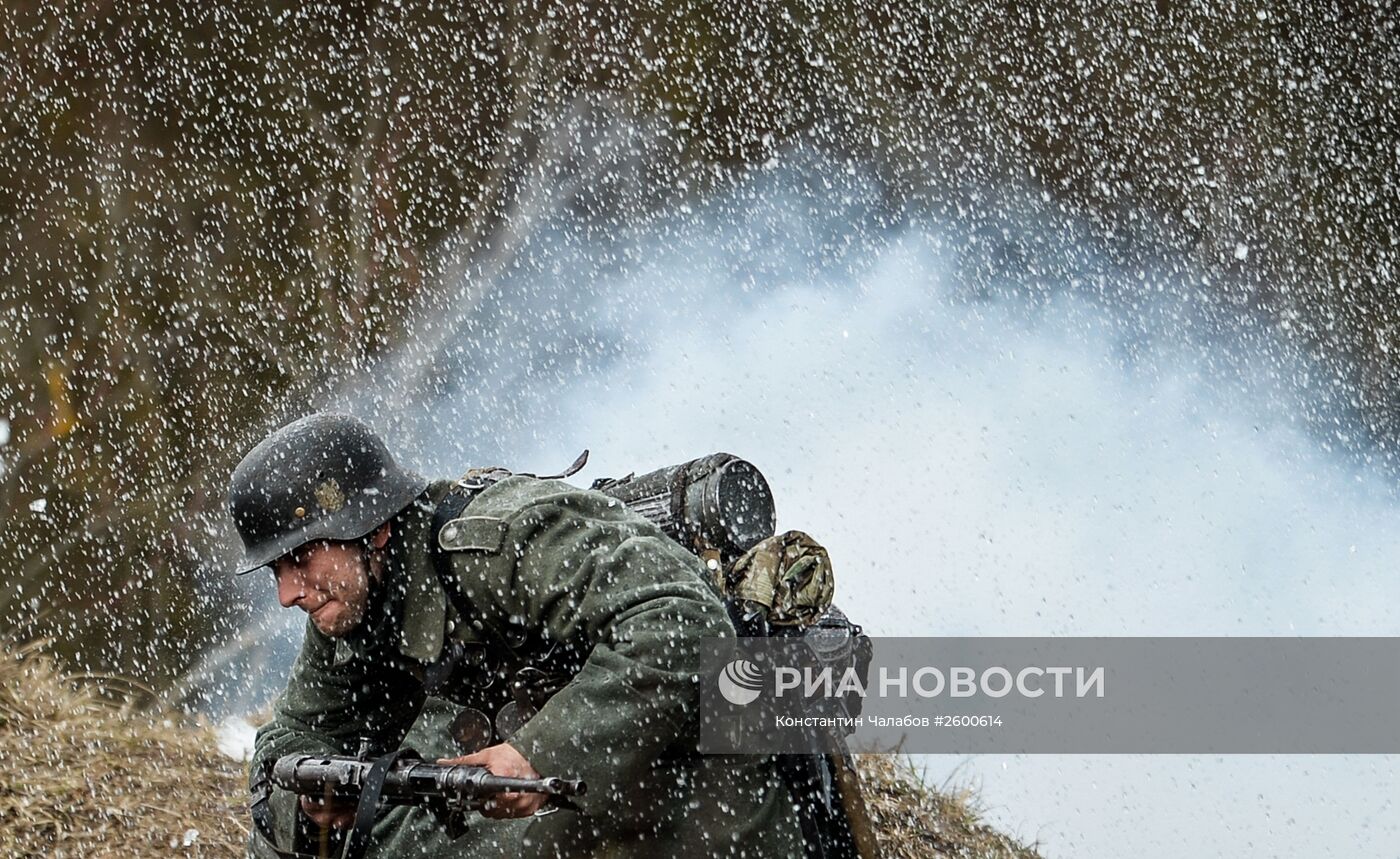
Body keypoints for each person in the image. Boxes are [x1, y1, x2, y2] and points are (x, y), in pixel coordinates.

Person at [231, 412, 803, 858]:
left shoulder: (498, 543)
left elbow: (683, 623)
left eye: (301, 557)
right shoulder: (352, 599)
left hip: (708, 748)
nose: (288, 593)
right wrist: (312, 805)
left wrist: (538, 754)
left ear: (373, 530)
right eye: (278, 570)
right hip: (588, 776)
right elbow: (293, 735)